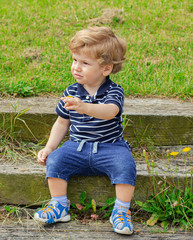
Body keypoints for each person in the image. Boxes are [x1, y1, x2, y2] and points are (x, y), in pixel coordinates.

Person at [34, 26, 136, 235]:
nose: (76, 68)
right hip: (76, 146)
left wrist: (84, 107)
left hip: (110, 146)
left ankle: (121, 210)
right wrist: (50, 147)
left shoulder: (114, 91)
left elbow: (110, 112)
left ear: (106, 69)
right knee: (56, 161)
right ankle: (59, 205)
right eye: (74, 60)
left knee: (126, 165)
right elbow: (62, 122)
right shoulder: (71, 91)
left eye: (85, 63)